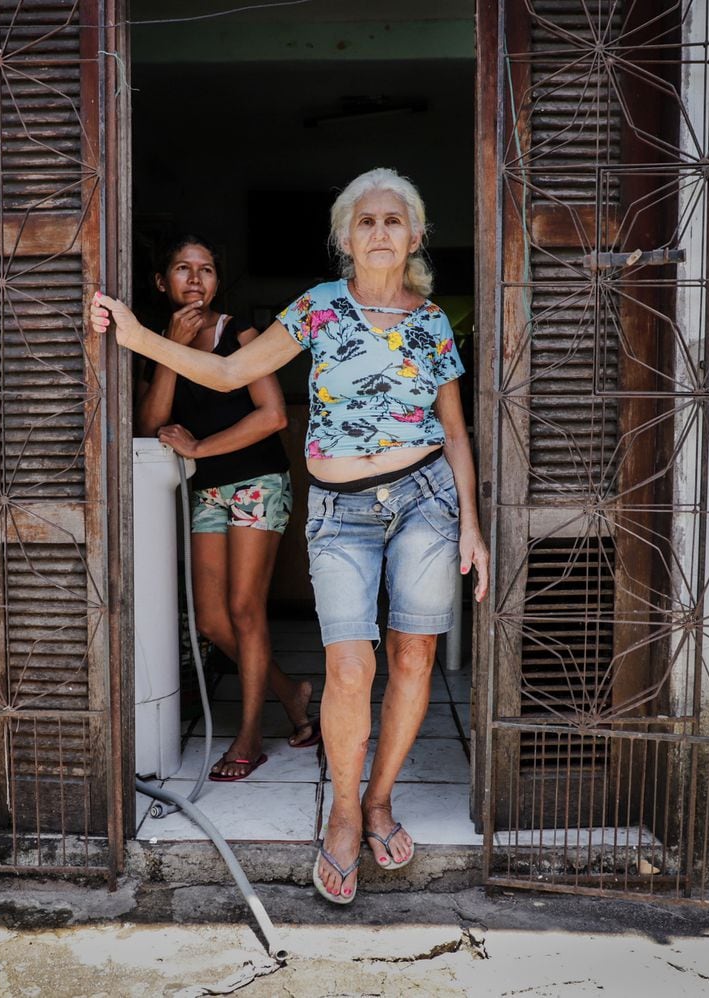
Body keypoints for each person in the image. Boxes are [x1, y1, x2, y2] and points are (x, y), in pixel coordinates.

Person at [95, 170, 490, 905]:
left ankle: (379, 800)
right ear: (345, 237)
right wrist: (140, 334)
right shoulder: (318, 308)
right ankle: (344, 812)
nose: (379, 231)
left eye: (393, 220)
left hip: (426, 499)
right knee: (349, 668)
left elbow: (458, 433)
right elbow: (228, 369)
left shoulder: (432, 323)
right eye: (365, 220)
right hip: (340, 511)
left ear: (414, 236)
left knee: (414, 655)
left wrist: (471, 522)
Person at [135, 236, 318, 781]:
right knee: (213, 621)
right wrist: (171, 347)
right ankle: (293, 695)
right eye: (182, 269)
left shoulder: (242, 333)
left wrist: (198, 448)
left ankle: (248, 737)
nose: (195, 279)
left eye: (207, 269)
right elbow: (148, 427)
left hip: (258, 480)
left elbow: (273, 417)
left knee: (244, 608)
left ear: (218, 281)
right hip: (207, 489)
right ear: (162, 282)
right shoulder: (155, 343)